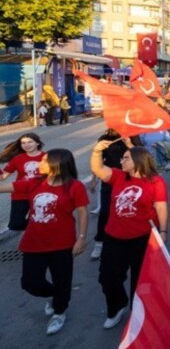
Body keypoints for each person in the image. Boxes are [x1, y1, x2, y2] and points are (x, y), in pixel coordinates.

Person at [0, 149, 88, 335]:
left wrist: (81, 238)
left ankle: (59, 311)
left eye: (45, 161)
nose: (40, 163)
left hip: (62, 243)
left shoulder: (74, 186)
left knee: (62, 279)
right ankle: (56, 295)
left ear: (58, 164)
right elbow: (3, 187)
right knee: (30, 282)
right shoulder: (34, 182)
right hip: (33, 242)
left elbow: (82, 212)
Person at [91, 141, 168, 330]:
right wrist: (96, 150)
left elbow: (161, 207)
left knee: (141, 281)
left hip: (143, 239)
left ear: (138, 160)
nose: (121, 161)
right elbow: (98, 169)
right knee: (107, 278)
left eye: (126, 158)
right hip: (114, 238)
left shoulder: (155, 181)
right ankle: (118, 305)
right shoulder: (118, 176)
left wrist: (164, 231)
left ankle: (139, 316)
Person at [90, 130, 135, 260]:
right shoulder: (104, 138)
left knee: (127, 210)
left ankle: (126, 241)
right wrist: (94, 179)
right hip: (109, 178)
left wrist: (130, 144)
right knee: (105, 211)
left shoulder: (130, 137)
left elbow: (140, 156)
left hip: (128, 179)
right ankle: (99, 243)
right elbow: (99, 161)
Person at [1, 133, 46, 231]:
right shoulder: (18, 158)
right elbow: (3, 177)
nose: (27, 145)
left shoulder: (46, 157)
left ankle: (36, 234)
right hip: (20, 194)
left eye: (30, 142)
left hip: (40, 194)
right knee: (15, 224)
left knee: (40, 220)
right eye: (23, 143)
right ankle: (33, 228)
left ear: (37, 143)